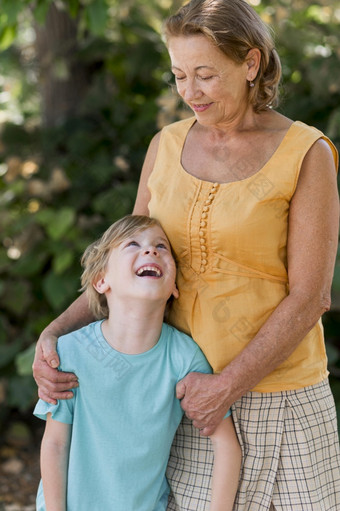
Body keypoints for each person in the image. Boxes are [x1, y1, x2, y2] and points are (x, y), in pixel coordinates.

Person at [33, 0, 340, 509]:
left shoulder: (306, 153)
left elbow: (310, 297)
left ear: (250, 63)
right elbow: (122, 262)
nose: (189, 92)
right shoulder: (166, 145)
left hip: (282, 397)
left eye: (205, 75)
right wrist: (53, 335)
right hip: (180, 400)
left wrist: (226, 386)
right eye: (179, 75)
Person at [33, 214, 241, 511]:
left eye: (161, 246)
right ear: (102, 280)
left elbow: (226, 446)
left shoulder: (184, 357)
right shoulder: (71, 352)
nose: (151, 250)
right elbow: (55, 444)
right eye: (133, 244)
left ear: (174, 288)